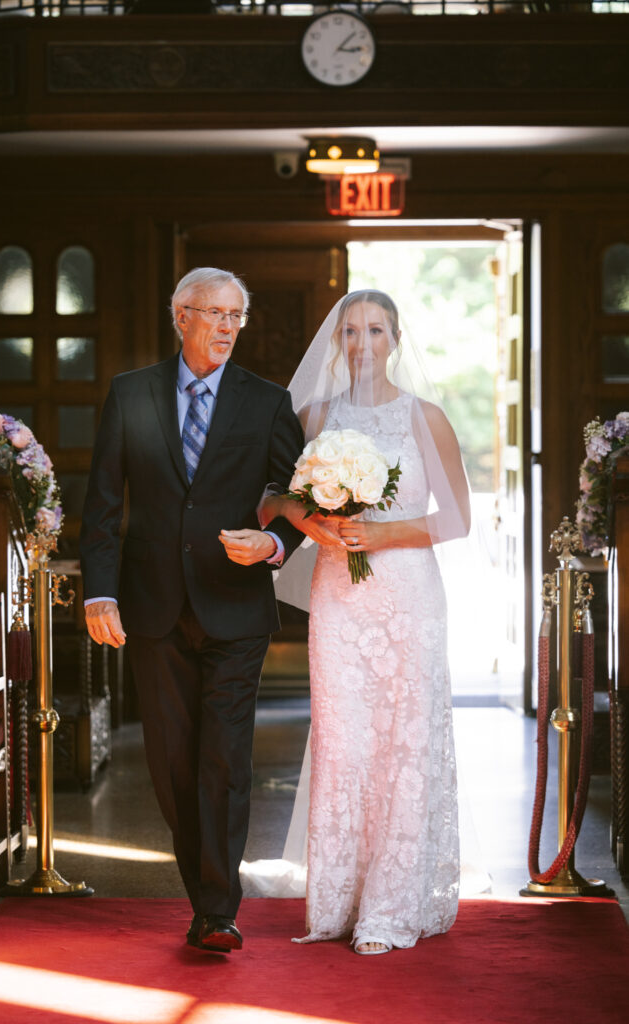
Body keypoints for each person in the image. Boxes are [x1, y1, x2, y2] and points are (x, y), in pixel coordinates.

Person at [79, 267, 304, 954]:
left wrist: (271, 541)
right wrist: (100, 591)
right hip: (151, 608)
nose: (228, 326)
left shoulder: (266, 402)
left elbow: (301, 496)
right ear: (180, 316)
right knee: (174, 762)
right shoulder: (130, 394)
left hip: (235, 607)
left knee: (225, 760)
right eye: (214, 313)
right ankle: (202, 890)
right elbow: (103, 505)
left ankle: (216, 909)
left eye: (237, 314)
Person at [257, 289, 471, 955]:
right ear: (337, 341)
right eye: (350, 331)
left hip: (408, 596)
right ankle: (338, 901)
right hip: (340, 597)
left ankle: (390, 906)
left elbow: (456, 519)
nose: (361, 343)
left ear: (395, 338)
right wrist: (312, 522)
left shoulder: (424, 417)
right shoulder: (313, 414)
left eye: (375, 330)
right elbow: (268, 496)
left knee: (404, 742)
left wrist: (384, 535)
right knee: (344, 741)